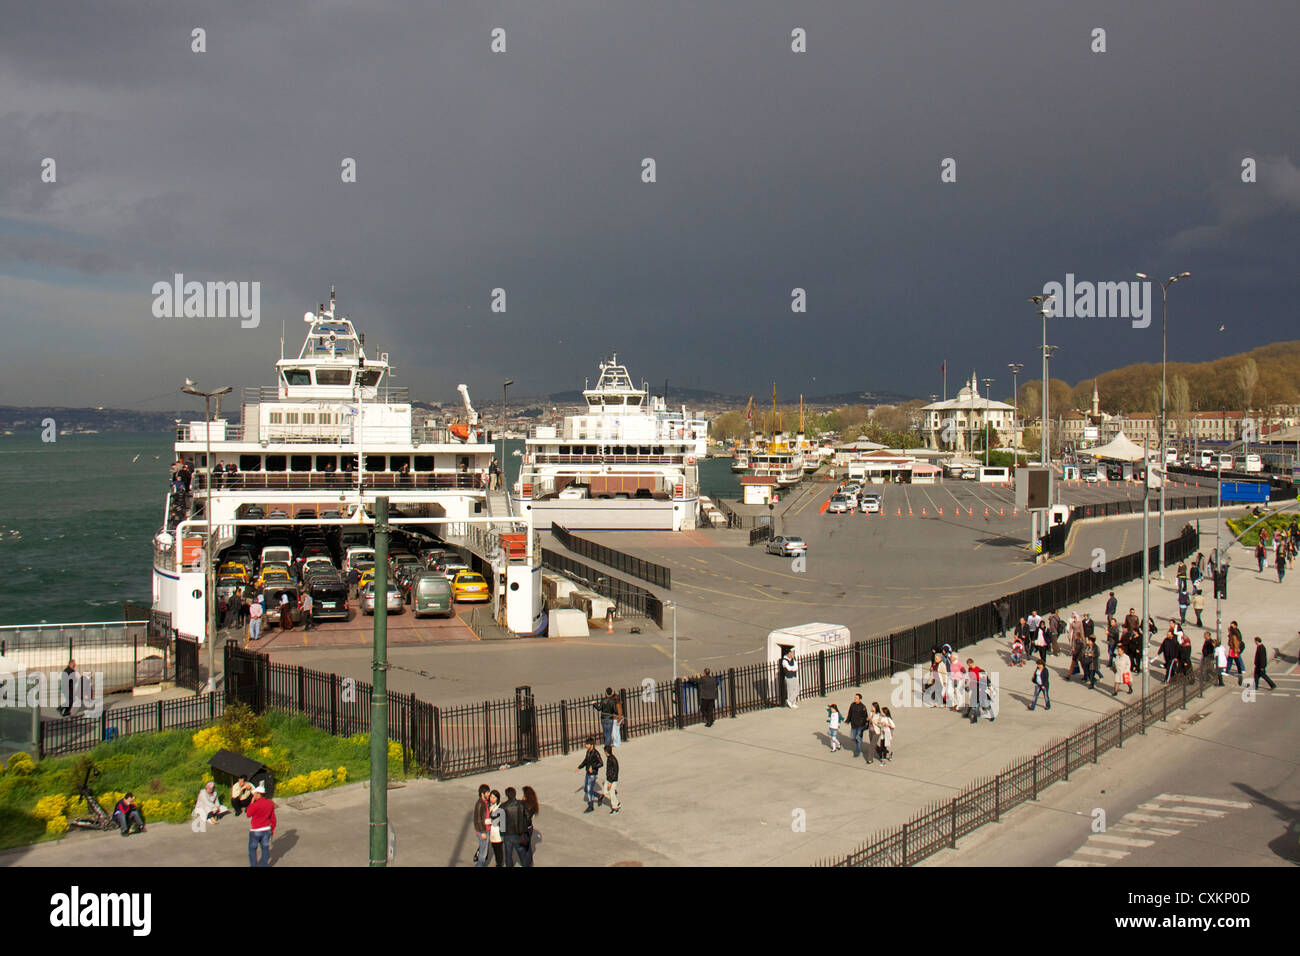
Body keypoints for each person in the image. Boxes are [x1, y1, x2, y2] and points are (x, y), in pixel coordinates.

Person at [500, 787, 534, 866]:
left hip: (508, 835)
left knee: (508, 855)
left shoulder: (503, 806)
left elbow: (500, 822)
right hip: (518, 833)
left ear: (507, 795)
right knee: (521, 853)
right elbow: (528, 816)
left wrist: (502, 833)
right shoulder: (521, 804)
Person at [246, 783, 276, 866]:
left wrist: (251, 803)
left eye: (255, 794)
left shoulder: (255, 805)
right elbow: (273, 818)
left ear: (258, 794)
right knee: (265, 849)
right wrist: (272, 829)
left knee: (252, 849)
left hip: (255, 830)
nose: (253, 795)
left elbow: (248, 814)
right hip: (266, 830)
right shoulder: (270, 804)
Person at [574, 737, 603, 812]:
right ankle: (599, 796)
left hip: (593, 774)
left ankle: (591, 806)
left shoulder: (595, 753)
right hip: (588, 773)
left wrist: (593, 768)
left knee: (589, 790)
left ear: (592, 745)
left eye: (587, 744)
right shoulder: (588, 752)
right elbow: (586, 760)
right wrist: (579, 767)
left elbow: (601, 763)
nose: (586, 745)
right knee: (586, 789)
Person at [472, 784, 492, 866]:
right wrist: (483, 832)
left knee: (483, 849)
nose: (489, 794)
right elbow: (478, 820)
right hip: (482, 830)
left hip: (486, 828)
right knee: (483, 852)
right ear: (482, 794)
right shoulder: (480, 804)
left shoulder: (485, 802)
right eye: (487, 793)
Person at [521, 786, 541, 860]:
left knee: (524, 847)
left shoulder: (525, 805)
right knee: (527, 846)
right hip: (530, 827)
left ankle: (526, 862)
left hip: (525, 828)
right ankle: (528, 862)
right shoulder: (533, 804)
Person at [846, 694, 869, 758]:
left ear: (859, 699)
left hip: (860, 725)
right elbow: (850, 713)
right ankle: (858, 744)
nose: (855, 699)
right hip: (853, 724)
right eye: (855, 698)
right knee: (852, 737)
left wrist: (865, 724)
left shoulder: (863, 707)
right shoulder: (852, 705)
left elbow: (865, 716)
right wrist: (848, 720)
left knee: (859, 738)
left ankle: (857, 751)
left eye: (856, 698)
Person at [487, 790, 504, 866]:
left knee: (498, 849)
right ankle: (498, 862)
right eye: (491, 797)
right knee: (494, 847)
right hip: (492, 831)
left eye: (494, 797)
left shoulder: (499, 808)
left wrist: (485, 821)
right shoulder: (490, 806)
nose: (492, 799)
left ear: (497, 798)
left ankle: (499, 863)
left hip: (497, 831)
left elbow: (495, 821)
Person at [602, 745, 621, 815]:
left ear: (606, 752)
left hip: (612, 780)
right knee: (605, 792)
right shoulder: (609, 758)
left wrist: (611, 781)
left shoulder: (613, 759)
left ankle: (615, 808)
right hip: (608, 778)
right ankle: (616, 802)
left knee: (611, 793)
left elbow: (615, 771)